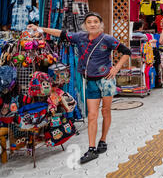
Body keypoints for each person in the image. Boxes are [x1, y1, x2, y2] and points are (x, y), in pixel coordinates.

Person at [27, 12, 131, 164]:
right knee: (93, 115)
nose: (93, 24)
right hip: (90, 82)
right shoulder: (80, 37)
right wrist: (39, 28)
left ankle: (103, 140)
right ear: (85, 25)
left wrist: (116, 68)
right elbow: (61, 33)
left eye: (96, 21)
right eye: (89, 22)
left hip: (106, 81)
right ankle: (91, 149)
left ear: (100, 24)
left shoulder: (107, 39)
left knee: (106, 111)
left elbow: (126, 52)